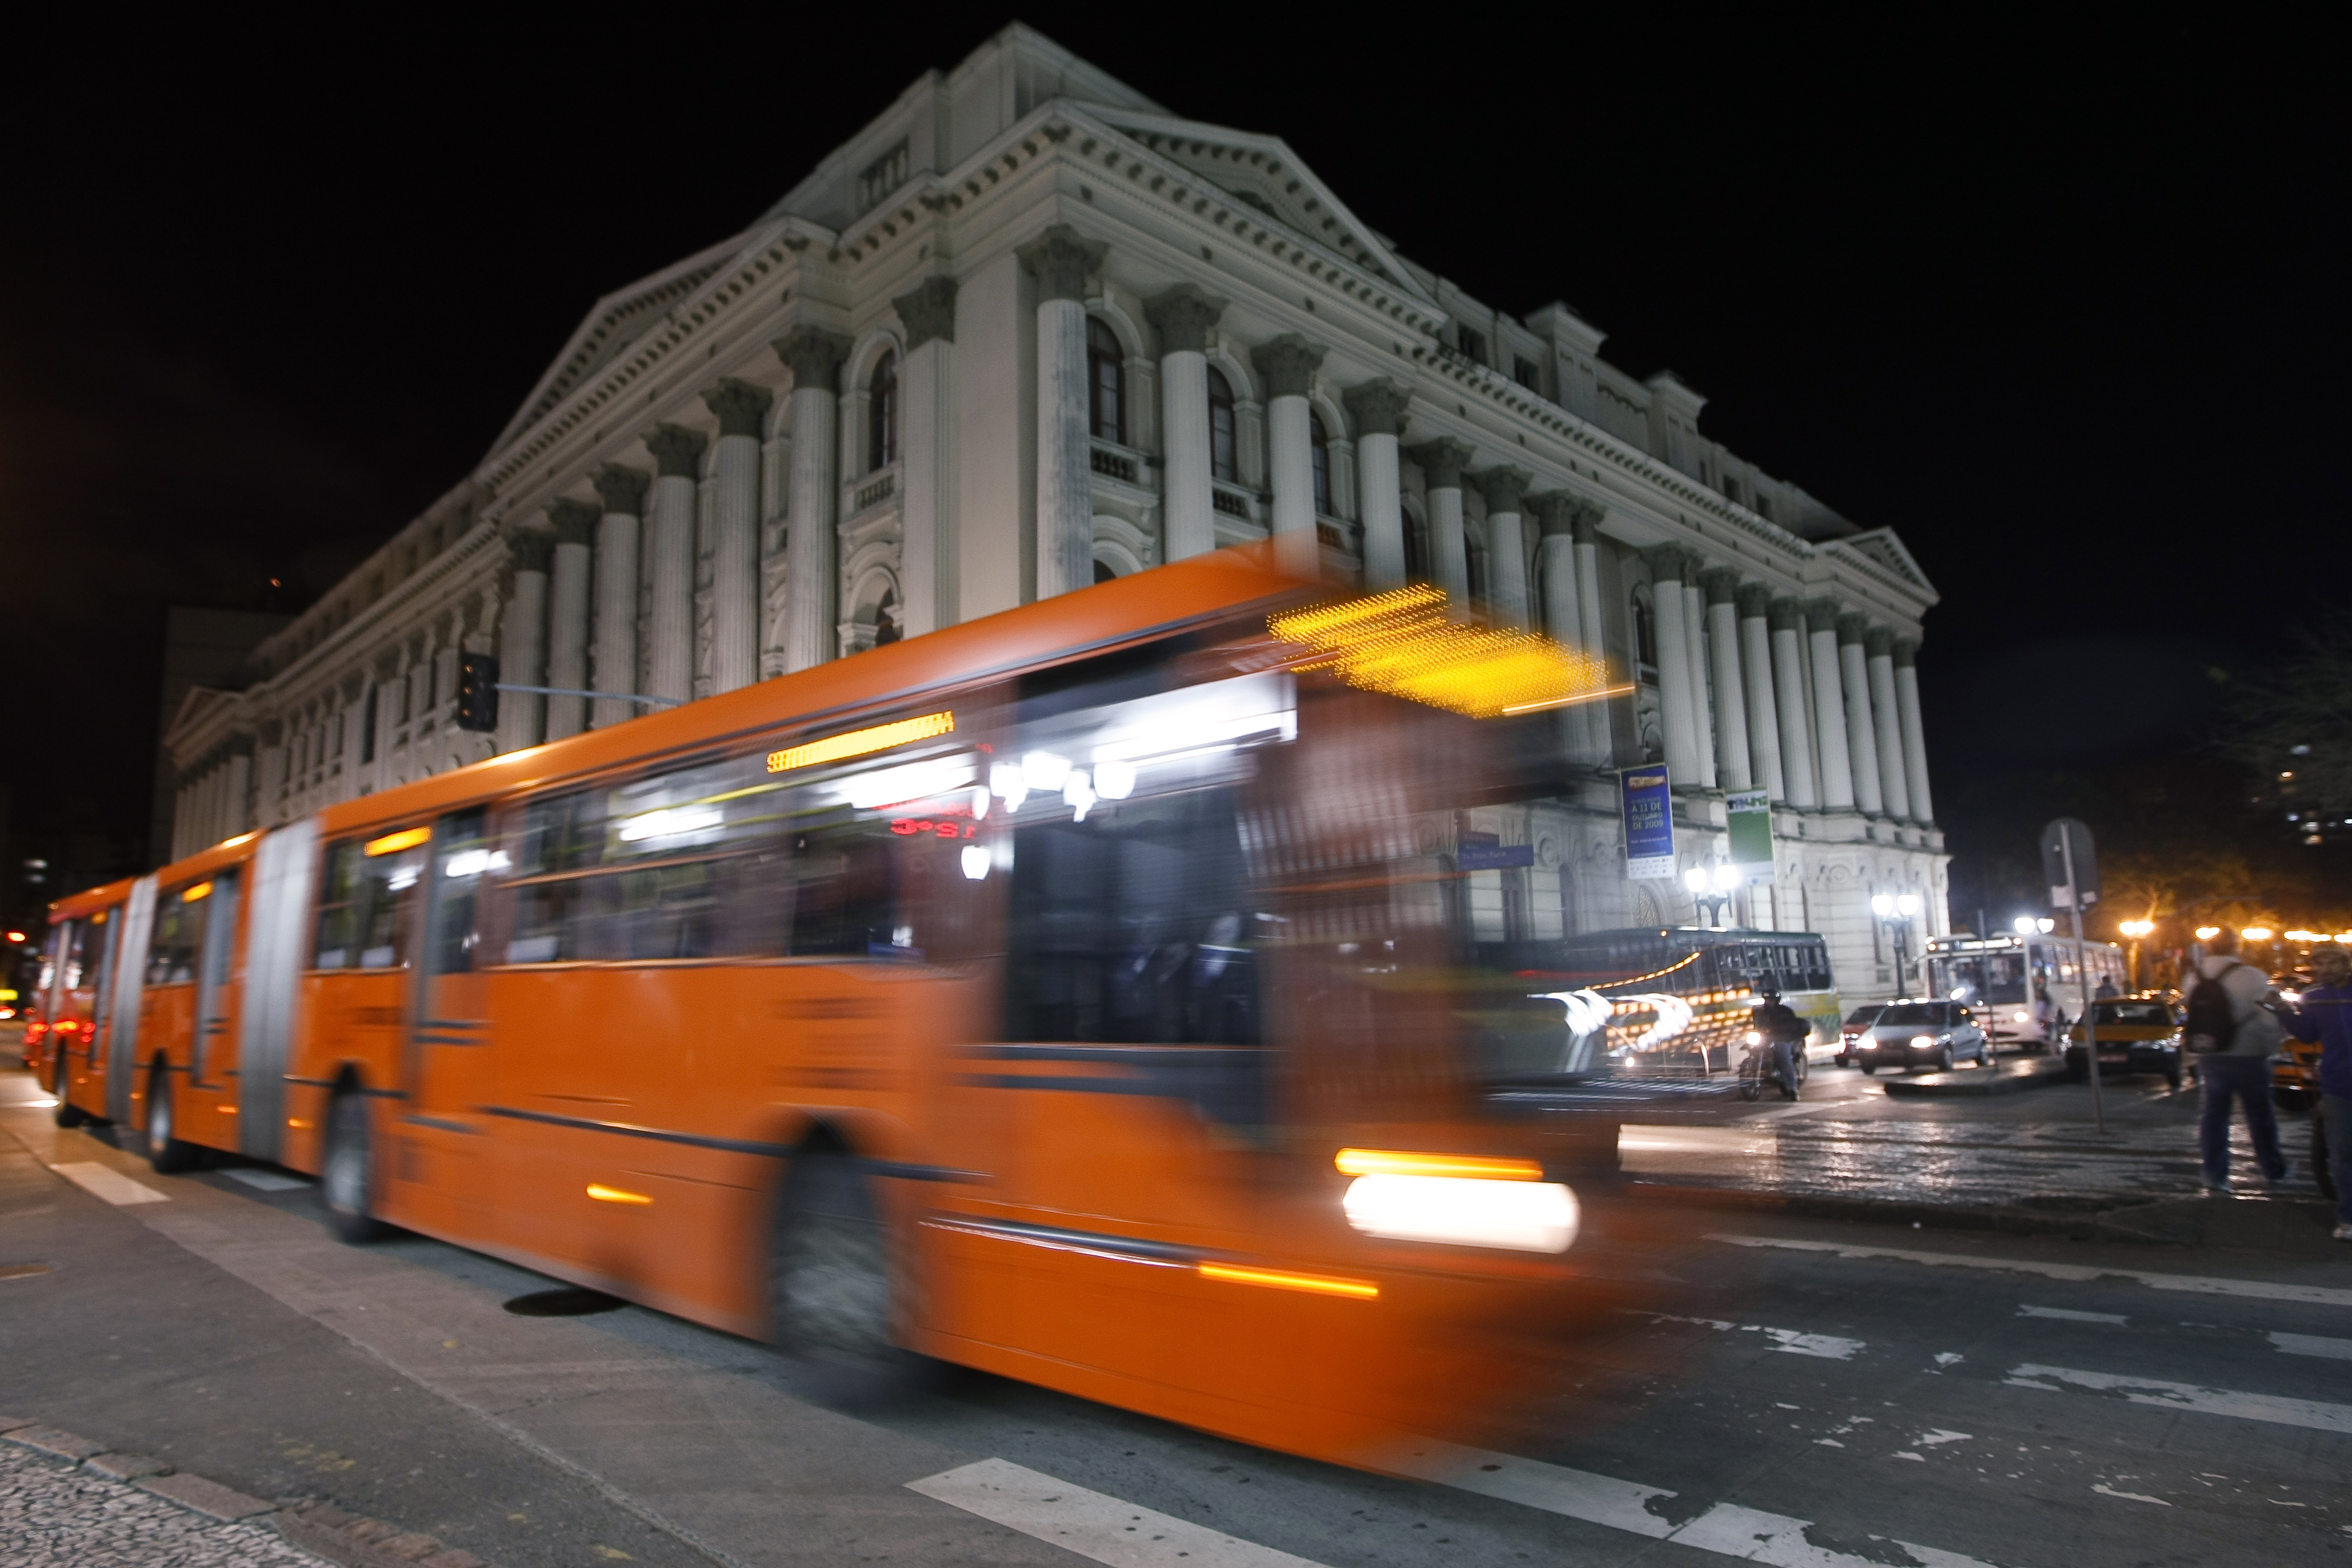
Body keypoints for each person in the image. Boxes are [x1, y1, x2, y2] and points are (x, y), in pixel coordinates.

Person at [2183, 929, 2294, 1194]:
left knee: (2214, 1115)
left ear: (2209, 947)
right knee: (2260, 1115)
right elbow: (2268, 1018)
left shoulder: (2193, 977)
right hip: (2249, 1055)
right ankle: (2273, 1169)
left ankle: (2214, 1174)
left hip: (2212, 1055)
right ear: (2236, 947)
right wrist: (2272, 1046)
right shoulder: (2252, 977)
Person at [2284, 942, 2352, 1241]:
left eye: (2330, 964)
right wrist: (2281, 1012)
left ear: (2345, 963)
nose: (2324, 970)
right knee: (2341, 1153)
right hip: (2338, 1084)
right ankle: (2348, 1217)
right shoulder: (2313, 997)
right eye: (2319, 964)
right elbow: (2307, 1034)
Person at [1753, 985, 1806, 1100]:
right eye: (1767, 1000)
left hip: (1783, 1038)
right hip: (1768, 1038)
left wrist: (1776, 1031)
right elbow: (1756, 1024)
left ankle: (1793, 1089)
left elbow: (1789, 1026)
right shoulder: (1760, 1012)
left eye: (1771, 1000)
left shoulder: (1785, 1012)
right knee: (1753, 1048)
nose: (1769, 1002)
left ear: (1776, 1001)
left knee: (1784, 1058)